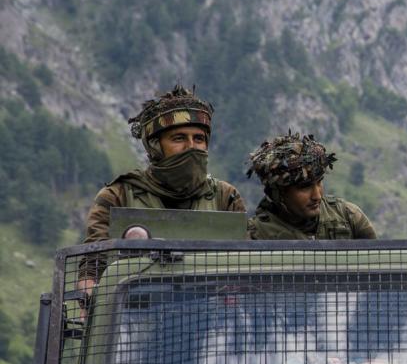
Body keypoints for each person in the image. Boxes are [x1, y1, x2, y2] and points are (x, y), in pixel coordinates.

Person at [80, 84, 246, 283]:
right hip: (136, 310)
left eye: (199, 139)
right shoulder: (118, 196)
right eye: (179, 138)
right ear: (155, 146)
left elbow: (245, 269)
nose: (191, 147)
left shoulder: (224, 197)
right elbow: (92, 270)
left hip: (213, 311)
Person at [246, 132, 376, 240]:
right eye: (305, 187)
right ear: (279, 193)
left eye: (319, 182)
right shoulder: (255, 235)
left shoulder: (348, 216)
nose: (317, 196)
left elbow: (380, 263)